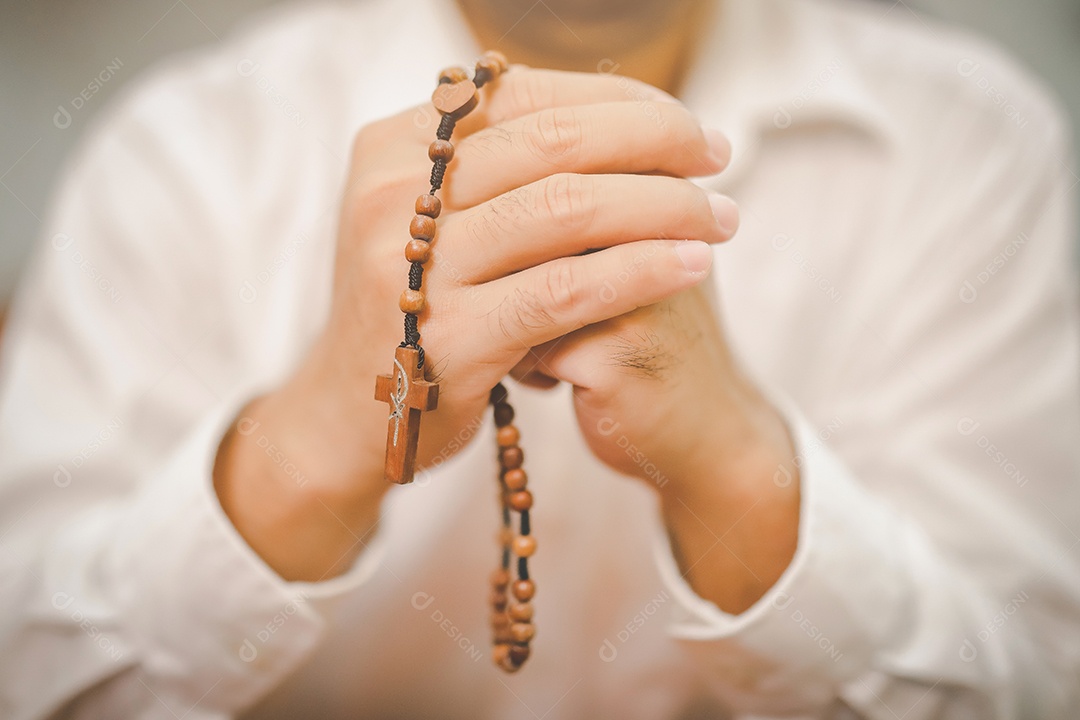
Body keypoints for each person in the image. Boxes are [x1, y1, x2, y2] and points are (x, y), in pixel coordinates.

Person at [0, 0, 1077, 716]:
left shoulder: (974, 145)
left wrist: (744, 476)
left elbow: (1032, 681)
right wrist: (307, 448)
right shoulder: (182, 152)